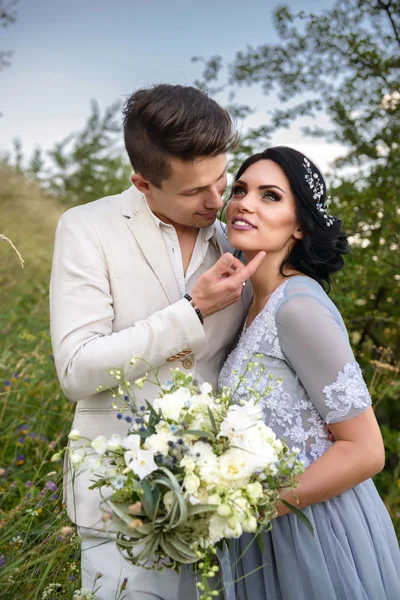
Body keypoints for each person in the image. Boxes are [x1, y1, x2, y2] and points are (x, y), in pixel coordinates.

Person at [49, 84, 265, 600]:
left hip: (217, 500)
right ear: (143, 183)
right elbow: (76, 370)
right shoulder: (86, 228)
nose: (216, 202)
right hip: (117, 500)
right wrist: (191, 312)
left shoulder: (237, 233)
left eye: (221, 180)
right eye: (194, 192)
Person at [213, 146, 399, 599]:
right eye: (239, 189)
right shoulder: (247, 302)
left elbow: (366, 449)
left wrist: (247, 506)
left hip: (313, 531)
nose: (245, 203)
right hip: (260, 536)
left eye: (270, 195)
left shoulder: (298, 307)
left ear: (299, 225)